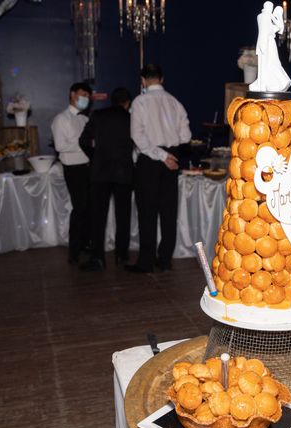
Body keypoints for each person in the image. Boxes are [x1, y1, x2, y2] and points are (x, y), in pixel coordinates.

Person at [126, 64, 192, 273]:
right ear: (162, 79)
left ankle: (146, 261)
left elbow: (137, 137)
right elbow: (186, 137)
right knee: (168, 211)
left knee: (147, 212)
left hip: (149, 161)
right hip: (170, 159)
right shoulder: (175, 102)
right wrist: (168, 155)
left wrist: (161, 156)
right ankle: (164, 259)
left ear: (143, 81)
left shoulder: (139, 102)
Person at [78, 87, 134, 271]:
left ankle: (98, 258)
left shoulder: (98, 115)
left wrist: (95, 157)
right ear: (127, 103)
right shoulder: (130, 118)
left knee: (98, 218)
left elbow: (83, 140)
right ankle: (121, 255)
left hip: (100, 172)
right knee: (123, 216)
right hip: (124, 172)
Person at [51, 82, 92, 265]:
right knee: (80, 207)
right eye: (82, 95)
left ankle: (84, 243)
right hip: (73, 168)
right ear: (72, 95)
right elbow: (60, 146)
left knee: (87, 209)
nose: (85, 99)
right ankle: (73, 250)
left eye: (87, 97)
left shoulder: (84, 119)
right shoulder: (61, 119)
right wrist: (82, 144)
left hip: (87, 167)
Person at [249, 1, 291, 93]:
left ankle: (272, 83)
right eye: (271, 8)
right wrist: (277, 17)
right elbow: (277, 27)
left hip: (265, 42)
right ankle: (265, 85)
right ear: (268, 7)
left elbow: (274, 28)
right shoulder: (266, 16)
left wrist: (277, 18)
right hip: (267, 42)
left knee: (271, 62)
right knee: (267, 63)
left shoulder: (261, 16)